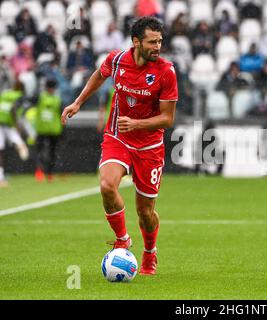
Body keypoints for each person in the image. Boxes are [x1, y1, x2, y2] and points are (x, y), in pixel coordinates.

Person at [61, 17, 178, 276]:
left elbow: (168, 119)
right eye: (152, 42)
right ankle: (123, 239)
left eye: (160, 41)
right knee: (106, 185)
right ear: (136, 42)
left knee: (145, 212)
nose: (158, 46)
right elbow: (99, 75)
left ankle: (150, 253)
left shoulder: (166, 71)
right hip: (118, 137)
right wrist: (78, 102)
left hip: (149, 146)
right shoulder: (117, 60)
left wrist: (136, 124)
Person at [0, 81, 29, 187]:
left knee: (1, 151)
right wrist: (17, 125)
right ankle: (20, 145)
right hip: (8, 122)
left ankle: (1, 178)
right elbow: (13, 109)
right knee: (16, 138)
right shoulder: (19, 96)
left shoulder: (5, 93)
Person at [34, 79, 63, 182]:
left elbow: (61, 114)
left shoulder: (55, 99)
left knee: (51, 152)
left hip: (53, 129)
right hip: (43, 129)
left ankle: (49, 173)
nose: (52, 90)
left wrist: (63, 130)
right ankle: (40, 171)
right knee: (41, 151)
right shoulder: (42, 97)